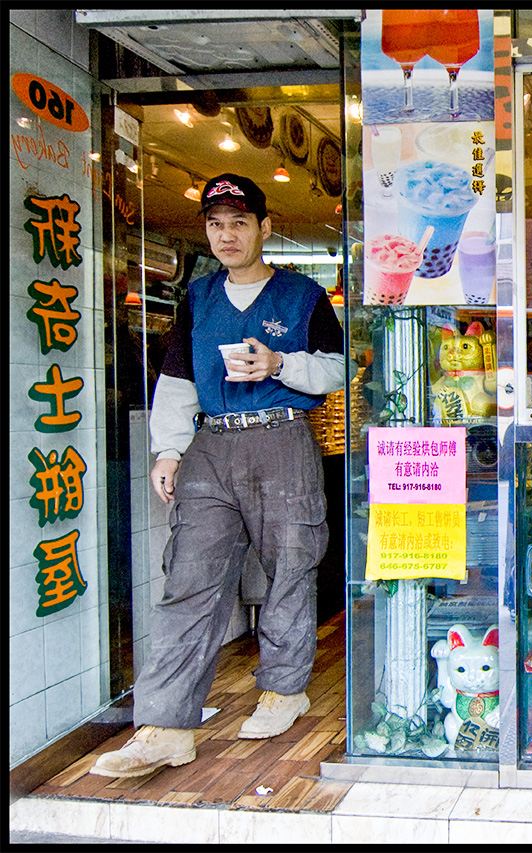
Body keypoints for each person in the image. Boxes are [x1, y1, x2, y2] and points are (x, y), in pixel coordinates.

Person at [91, 174, 350, 778]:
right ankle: (163, 726)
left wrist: (280, 361)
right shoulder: (198, 298)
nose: (227, 234)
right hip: (212, 443)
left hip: (283, 436)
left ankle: (284, 690)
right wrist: (169, 451)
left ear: (264, 226)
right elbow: (178, 379)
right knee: (190, 578)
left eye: (239, 222)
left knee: (290, 565)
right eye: (215, 223)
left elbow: (338, 370)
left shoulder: (303, 296)